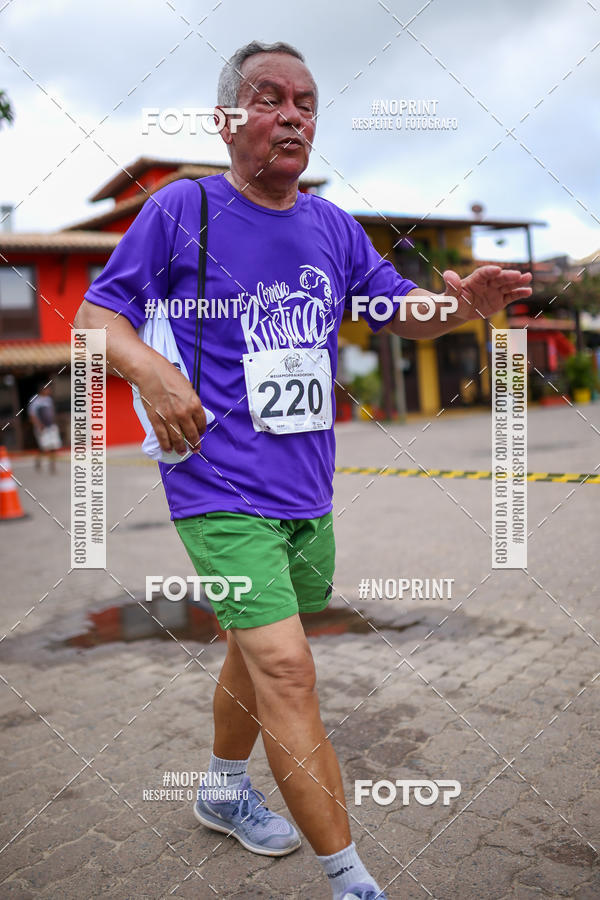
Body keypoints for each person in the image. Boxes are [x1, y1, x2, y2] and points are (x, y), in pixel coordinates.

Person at [74, 40, 532, 900]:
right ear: (225, 122)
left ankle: (220, 787)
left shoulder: (330, 226)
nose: (292, 114)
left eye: (308, 103)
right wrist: (152, 368)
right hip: (216, 488)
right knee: (287, 668)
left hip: (305, 494)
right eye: (270, 98)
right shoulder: (183, 210)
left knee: (256, 655)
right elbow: (98, 318)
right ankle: (352, 880)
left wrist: (463, 304)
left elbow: (400, 310)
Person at [27, 383, 62, 473]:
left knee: (54, 446)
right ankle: (38, 460)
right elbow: (32, 415)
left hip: (51, 425)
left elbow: (51, 412)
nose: (49, 391)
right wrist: (39, 425)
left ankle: (52, 466)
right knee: (44, 447)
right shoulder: (35, 400)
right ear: (42, 390)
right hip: (42, 427)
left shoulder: (48, 399)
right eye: (47, 389)